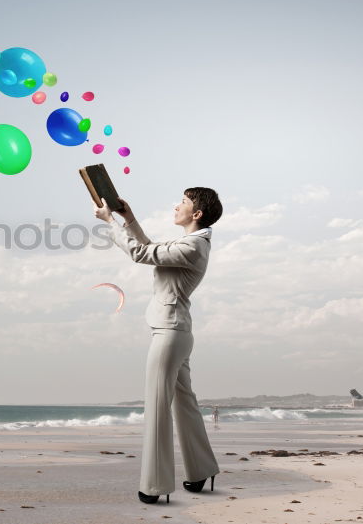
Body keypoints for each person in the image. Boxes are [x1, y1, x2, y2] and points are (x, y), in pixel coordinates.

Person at [94, 188, 223, 505]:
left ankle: (155, 485)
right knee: (184, 404)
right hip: (176, 331)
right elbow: (150, 247)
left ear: (196, 215)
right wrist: (129, 218)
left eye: (183, 202)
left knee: (157, 407)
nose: (176, 205)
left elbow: (139, 254)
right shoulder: (191, 243)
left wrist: (110, 222)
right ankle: (201, 469)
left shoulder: (193, 247)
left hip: (169, 332)